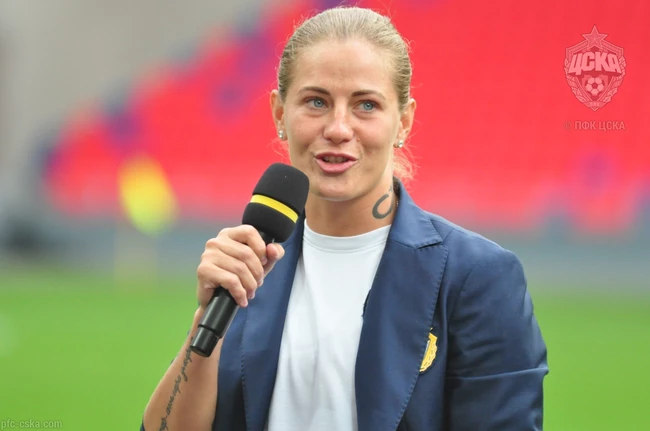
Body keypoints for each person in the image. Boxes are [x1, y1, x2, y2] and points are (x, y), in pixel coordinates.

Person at [140, 6, 548, 431]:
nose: (338, 128)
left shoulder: (476, 277)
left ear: (403, 122)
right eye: (316, 102)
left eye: (366, 105)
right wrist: (205, 325)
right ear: (280, 114)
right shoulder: (246, 265)